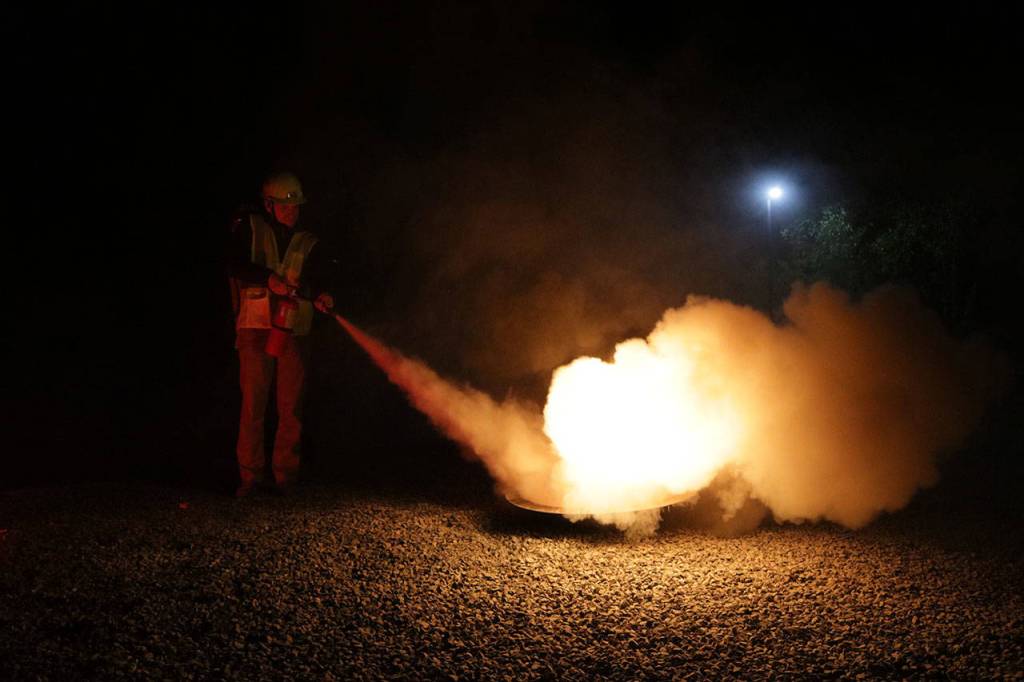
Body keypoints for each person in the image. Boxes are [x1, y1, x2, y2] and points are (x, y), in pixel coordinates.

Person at [227, 171, 335, 497]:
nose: (292, 211)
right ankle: (250, 478)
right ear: (268, 205)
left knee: (291, 408)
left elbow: (318, 277)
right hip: (256, 326)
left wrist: (323, 295)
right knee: (253, 405)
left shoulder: (308, 240)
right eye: (285, 206)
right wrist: (268, 279)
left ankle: (286, 479)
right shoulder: (249, 227)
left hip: (294, 330)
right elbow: (233, 263)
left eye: (296, 206)